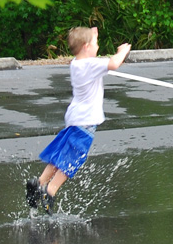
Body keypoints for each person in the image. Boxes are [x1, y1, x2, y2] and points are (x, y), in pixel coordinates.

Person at [26, 27, 131, 214]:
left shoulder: (76, 63)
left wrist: (92, 36)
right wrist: (122, 52)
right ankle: (50, 191)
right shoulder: (91, 65)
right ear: (86, 46)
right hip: (86, 122)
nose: (98, 47)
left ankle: (39, 182)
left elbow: (88, 51)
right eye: (96, 44)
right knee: (73, 157)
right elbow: (114, 64)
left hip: (75, 117)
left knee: (61, 153)